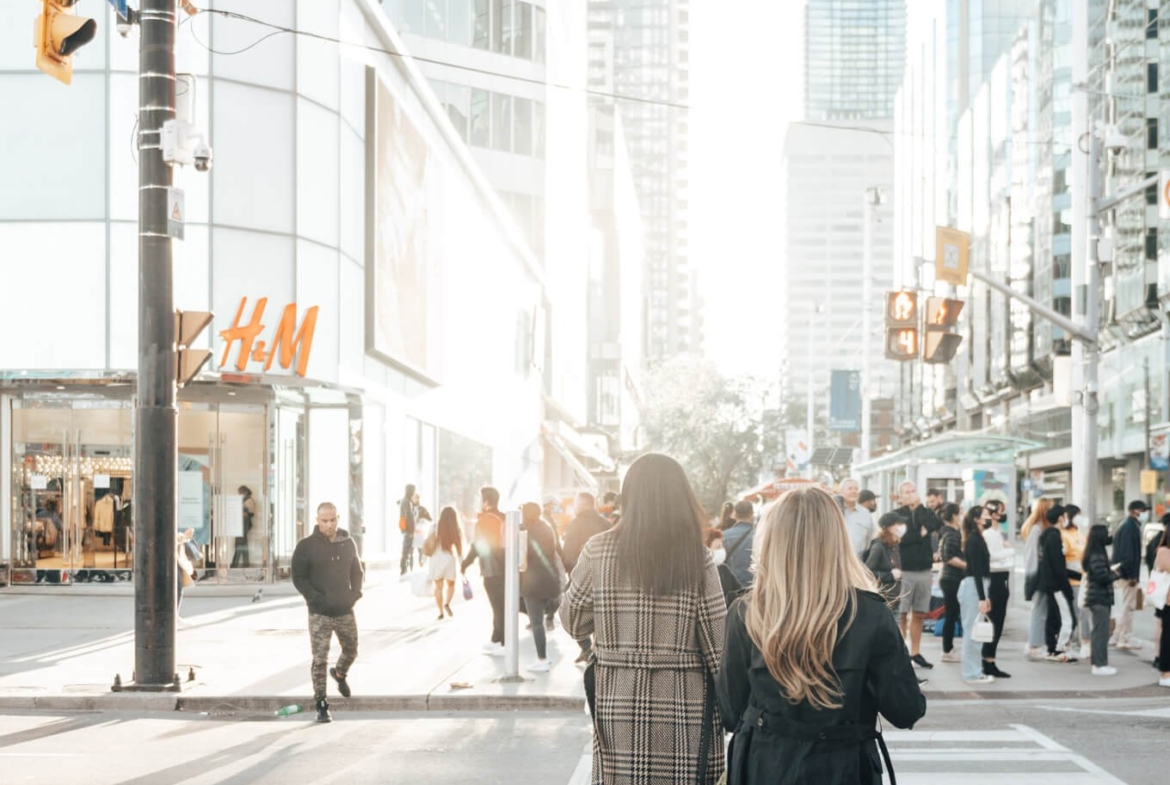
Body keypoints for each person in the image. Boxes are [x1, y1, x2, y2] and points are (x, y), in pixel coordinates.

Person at [717, 486, 926, 784]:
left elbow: (729, 710)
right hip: (845, 768)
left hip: (765, 765)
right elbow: (906, 711)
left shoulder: (747, 613)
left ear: (771, 541)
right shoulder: (870, 614)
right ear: (836, 541)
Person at [561, 453, 727, 784]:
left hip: (618, 702)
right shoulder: (697, 557)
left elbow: (573, 621)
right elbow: (718, 647)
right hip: (684, 705)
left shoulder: (598, 550)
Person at [291, 502, 364, 724]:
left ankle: (340, 674)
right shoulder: (306, 546)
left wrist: (354, 594)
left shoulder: (347, 542)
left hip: (344, 609)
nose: (329, 525)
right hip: (319, 612)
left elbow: (357, 570)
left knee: (351, 650)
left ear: (338, 519)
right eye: (324, 521)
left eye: (332, 520)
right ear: (317, 520)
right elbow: (299, 577)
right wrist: (314, 598)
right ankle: (321, 704)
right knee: (320, 659)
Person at [561, 491, 613, 663]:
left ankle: (586, 649)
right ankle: (595, 650)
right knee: (601, 617)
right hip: (606, 577)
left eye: (576, 503)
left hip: (582, 574)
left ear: (582, 505)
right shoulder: (605, 522)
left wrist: (570, 573)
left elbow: (568, 552)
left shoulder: (576, 523)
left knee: (573, 613)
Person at [894, 481, 941, 670]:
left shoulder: (924, 511)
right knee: (902, 614)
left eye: (914, 491)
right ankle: (900, 653)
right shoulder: (897, 515)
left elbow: (934, 523)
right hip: (904, 570)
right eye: (907, 492)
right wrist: (919, 534)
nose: (911, 494)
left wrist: (919, 508)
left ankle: (915, 652)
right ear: (900, 496)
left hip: (924, 569)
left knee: (920, 613)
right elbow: (902, 539)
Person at [461, 486, 506, 655]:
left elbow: (479, 546)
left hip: (493, 569)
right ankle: (496, 639)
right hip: (505, 569)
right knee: (502, 606)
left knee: (498, 607)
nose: (478, 502)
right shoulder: (502, 517)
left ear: (486, 501)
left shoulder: (485, 520)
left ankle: (503, 643)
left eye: (480, 499)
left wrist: (466, 563)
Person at [520, 501, 561, 673]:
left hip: (533, 583)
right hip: (550, 581)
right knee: (540, 620)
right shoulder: (546, 527)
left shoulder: (527, 532)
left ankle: (542, 659)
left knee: (536, 622)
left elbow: (522, 555)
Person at [957, 506, 994, 684]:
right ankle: (971, 673)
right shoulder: (974, 540)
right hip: (974, 586)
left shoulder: (977, 538)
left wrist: (984, 595)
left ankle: (974, 671)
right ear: (977, 519)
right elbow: (977, 571)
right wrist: (982, 597)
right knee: (972, 631)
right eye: (986, 514)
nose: (989, 517)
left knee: (975, 631)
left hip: (977, 586)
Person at [1038, 504, 1077, 662]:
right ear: (1061, 517)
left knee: (1054, 616)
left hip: (1051, 583)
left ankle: (1052, 648)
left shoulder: (1048, 535)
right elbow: (1058, 565)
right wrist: (1066, 586)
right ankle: (1057, 649)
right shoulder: (1054, 537)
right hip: (1057, 585)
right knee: (1067, 618)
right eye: (1065, 515)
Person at [981, 500, 1013, 678]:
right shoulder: (990, 534)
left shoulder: (996, 533)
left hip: (1001, 578)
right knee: (994, 621)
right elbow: (991, 557)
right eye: (1001, 510)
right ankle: (988, 660)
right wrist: (1009, 551)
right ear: (993, 514)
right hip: (995, 579)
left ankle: (990, 659)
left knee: (998, 622)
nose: (1003, 514)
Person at [1082, 524, 1120, 676]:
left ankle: (1100, 663)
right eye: (1107, 533)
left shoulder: (1096, 553)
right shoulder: (1097, 555)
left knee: (1101, 632)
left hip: (1099, 597)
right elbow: (1102, 577)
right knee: (1100, 633)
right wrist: (1116, 574)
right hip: (1099, 598)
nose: (1109, 536)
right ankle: (1099, 664)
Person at [1020, 498, 1054, 658]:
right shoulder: (1036, 529)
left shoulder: (1043, 527)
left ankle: (1038, 643)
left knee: (1043, 609)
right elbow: (1031, 555)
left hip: (1043, 573)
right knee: (1039, 609)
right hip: (1039, 574)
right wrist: (1031, 576)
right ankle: (1033, 644)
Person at [1112, 500, 1147, 650]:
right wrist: (1132, 576)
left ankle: (1117, 635)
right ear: (1135, 511)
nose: (1145, 514)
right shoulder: (1129, 528)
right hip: (1127, 575)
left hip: (1123, 573)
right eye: (1143, 510)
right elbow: (1128, 554)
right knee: (1128, 606)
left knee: (1124, 606)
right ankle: (1124, 638)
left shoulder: (1127, 526)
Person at [937, 503, 965, 664]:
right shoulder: (952, 534)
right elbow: (949, 556)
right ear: (954, 515)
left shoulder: (948, 533)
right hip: (951, 579)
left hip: (949, 578)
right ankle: (947, 650)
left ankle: (948, 649)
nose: (962, 516)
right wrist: (968, 566)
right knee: (951, 615)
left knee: (952, 614)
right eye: (960, 513)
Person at [865, 512, 906, 613]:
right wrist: (890, 575)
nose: (901, 527)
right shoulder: (878, 547)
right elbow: (867, 572)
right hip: (883, 599)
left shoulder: (894, 545)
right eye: (898, 524)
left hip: (895, 598)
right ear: (889, 527)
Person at [427, 506, 463, 620]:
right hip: (449, 560)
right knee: (451, 585)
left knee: (438, 587)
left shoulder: (433, 527)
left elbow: (428, 543)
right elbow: (459, 550)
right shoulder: (455, 529)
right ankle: (447, 603)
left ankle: (441, 612)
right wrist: (462, 565)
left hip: (436, 560)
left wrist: (423, 560)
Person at [722, 499, 756, 589]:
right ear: (752, 514)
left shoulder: (724, 536)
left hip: (731, 588)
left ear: (735, 514)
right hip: (753, 587)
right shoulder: (760, 536)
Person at [1152, 527, 1170, 687]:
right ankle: (1165, 674)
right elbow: (1166, 566)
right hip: (1168, 602)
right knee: (1168, 639)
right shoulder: (1163, 550)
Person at [840, 478, 875, 559]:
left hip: (858, 562)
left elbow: (869, 539)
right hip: (836, 561)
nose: (854, 491)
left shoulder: (865, 513)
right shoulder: (835, 511)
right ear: (841, 492)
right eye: (850, 488)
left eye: (856, 489)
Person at [231, 486, 256, 568]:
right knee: (242, 544)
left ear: (245, 492)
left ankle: (235, 564)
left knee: (240, 544)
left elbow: (250, 513)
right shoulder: (244, 500)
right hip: (240, 525)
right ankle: (244, 563)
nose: (239, 495)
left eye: (240, 493)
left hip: (243, 526)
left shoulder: (249, 501)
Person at [399, 484, 417, 576]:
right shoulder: (407, 502)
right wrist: (411, 531)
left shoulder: (405, 501)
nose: (414, 493)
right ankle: (404, 570)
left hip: (406, 529)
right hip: (408, 530)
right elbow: (409, 517)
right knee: (407, 549)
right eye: (413, 491)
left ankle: (405, 569)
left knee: (407, 549)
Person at [413, 492, 433, 567]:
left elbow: (430, 519)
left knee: (420, 550)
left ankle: (420, 565)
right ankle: (410, 568)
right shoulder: (409, 508)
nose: (416, 499)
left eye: (417, 498)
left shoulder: (423, 509)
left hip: (419, 533)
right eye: (414, 498)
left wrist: (422, 520)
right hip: (411, 532)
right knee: (410, 551)